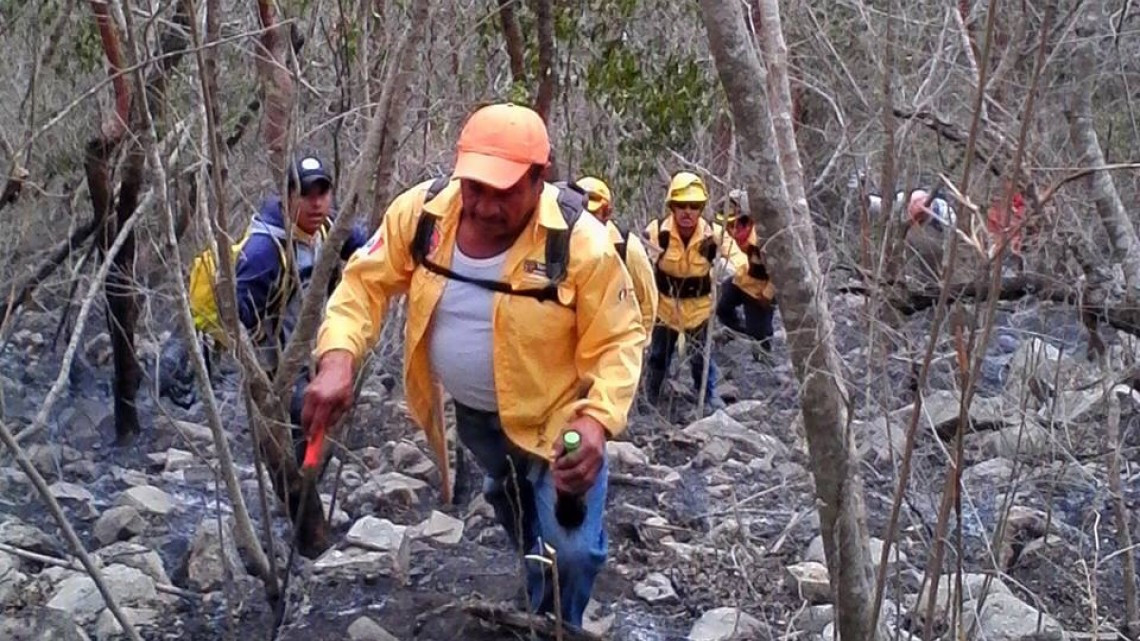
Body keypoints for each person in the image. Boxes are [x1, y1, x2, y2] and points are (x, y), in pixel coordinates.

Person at [302, 103, 644, 627]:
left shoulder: (580, 244)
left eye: (502, 193)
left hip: (559, 422)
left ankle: (554, 625)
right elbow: (362, 284)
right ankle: (528, 551)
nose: (483, 207)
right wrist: (337, 358)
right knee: (516, 505)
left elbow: (619, 339)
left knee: (571, 554)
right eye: (474, 188)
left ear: (539, 177)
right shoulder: (423, 215)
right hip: (479, 421)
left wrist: (597, 421)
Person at [233, 154, 369, 458]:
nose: (316, 204)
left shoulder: (329, 228)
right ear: (287, 198)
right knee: (301, 427)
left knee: (319, 426)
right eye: (306, 194)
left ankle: (307, 474)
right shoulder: (263, 251)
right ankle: (296, 480)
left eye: (323, 193)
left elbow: (370, 247)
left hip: (320, 351)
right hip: (281, 367)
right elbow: (239, 319)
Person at [643, 172, 741, 412]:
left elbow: (739, 260)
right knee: (658, 356)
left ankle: (708, 396)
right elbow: (639, 262)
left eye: (694, 206)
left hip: (699, 311)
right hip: (665, 310)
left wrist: (729, 270)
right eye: (682, 205)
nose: (688, 212)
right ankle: (651, 397)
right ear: (672, 207)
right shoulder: (657, 232)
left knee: (701, 358)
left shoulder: (713, 235)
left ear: (701, 208)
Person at [575, 176, 658, 339]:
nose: (585, 221)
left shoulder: (627, 247)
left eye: (592, 214)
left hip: (617, 343)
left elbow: (648, 300)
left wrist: (639, 343)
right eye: (580, 213)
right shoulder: (562, 244)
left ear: (607, 212)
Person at [714, 209, 777, 358]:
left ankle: (764, 357)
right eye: (729, 226)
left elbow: (780, 272)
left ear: (748, 224)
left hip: (760, 291)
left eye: (736, 226)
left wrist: (767, 295)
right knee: (722, 306)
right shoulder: (734, 237)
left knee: (760, 334)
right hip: (742, 280)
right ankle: (736, 332)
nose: (732, 231)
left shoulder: (763, 243)